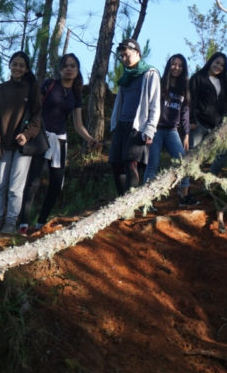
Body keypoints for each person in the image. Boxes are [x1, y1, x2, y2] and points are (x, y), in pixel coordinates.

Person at [18, 53, 98, 234]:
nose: (69, 69)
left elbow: (78, 124)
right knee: (33, 181)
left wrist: (90, 139)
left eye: (73, 66)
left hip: (60, 140)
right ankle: (23, 224)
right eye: (66, 65)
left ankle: (41, 223)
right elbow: (34, 107)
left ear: (77, 71)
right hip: (41, 136)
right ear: (61, 69)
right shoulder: (49, 84)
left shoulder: (76, 94)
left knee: (56, 184)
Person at [0, 51, 41, 235]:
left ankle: (10, 223)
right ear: (9, 65)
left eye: (21, 65)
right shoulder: (0, 89)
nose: (17, 68)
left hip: (22, 147)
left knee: (15, 187)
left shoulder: (32, 89)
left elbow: (37, 117)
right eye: (15, 64)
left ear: (26, 69)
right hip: (2, 146)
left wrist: (26, 135)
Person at [109, 39, 160, 196]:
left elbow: (154, 104)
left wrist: (150, 129)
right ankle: (121, 202)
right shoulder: (126, 77)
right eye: (122, 56)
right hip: (122, 125)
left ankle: (130, 202)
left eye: (127, 55)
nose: (124, 59)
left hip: (138, 126)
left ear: (137, 52)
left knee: (131, 163)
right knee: (116, 163)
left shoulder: (150, 73)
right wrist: (114, 124)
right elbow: (120, 102)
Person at [144, 54, 196, 205]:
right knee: (153, 164)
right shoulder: (159, 84)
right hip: (156, 130)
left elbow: (185, 113)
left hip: (172, 131)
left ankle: (184, 196)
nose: (176, 68)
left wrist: (186, 134)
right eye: (174, 64)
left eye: (180, 65)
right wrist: (147, 129)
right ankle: (147, 201)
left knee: (183, 161)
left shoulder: (183, 89)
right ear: (169, 65)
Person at [189, 51, 227, 175]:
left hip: (217, 126)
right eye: (217, 62)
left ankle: (210, 179)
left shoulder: (222, 82)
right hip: (199, 124)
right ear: (211, 61)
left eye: (222, 65)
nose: (218, 66)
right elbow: (191, 100)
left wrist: (223, 122)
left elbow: (224, 104)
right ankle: (185, 186)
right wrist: (192, 120)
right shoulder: (198, 78)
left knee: (225, 151)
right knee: (192, 156)